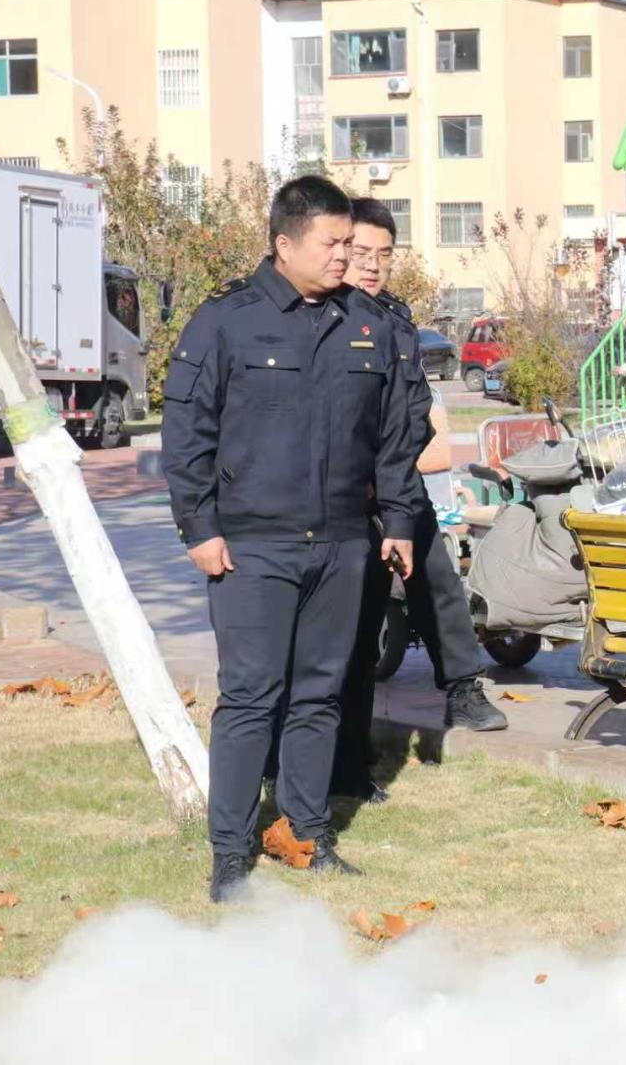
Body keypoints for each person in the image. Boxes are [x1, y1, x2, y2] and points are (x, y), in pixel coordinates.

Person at [161, 176, 421, 902]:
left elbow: (395, 435)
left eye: (350, 243)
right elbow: (187, 434)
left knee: (319, 695)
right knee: (250, 697)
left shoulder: (367, 325)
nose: (346, 256)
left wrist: (399, 520)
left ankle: (306, 834)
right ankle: (231, 852)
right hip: (252, 547)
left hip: (340, 543)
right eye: (332, 243)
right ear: (284, 243)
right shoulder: (226, 322)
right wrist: (199, 528)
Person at [330, 198, 507, 806]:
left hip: (399, 484)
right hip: (350, 495)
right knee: (354, 626)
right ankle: (345, 756)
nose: (372, 265)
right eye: (361, 252)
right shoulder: (324, 315)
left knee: (437, 580)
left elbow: (418, 413)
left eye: (384, 254)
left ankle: (462, 687)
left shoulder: (396, 319)